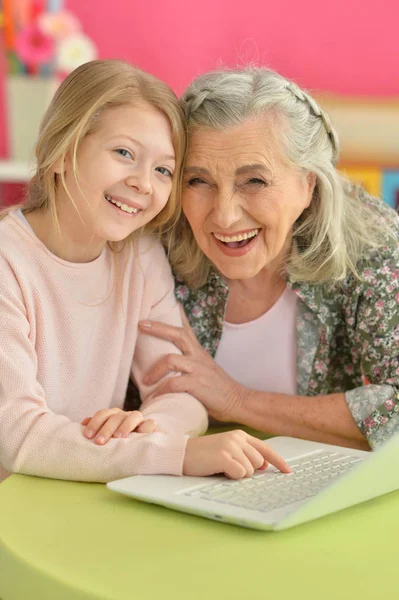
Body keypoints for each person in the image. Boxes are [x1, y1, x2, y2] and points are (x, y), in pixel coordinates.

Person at [0, 60, 290, 484]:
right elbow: (17, 434)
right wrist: (173, 453)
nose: (143, 183)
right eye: (124, 153)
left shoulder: (140, 258)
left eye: (163, 170)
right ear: (61, 153)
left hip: (89, 496)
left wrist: (142, 431)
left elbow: (181, 392)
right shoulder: (9, 262)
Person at [137, 67, 399, 452]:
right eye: (198, 181)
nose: (224, 216)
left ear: (307, 184)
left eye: (254, 181)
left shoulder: (374, 250)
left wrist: (237, 400)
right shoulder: (152, 240)